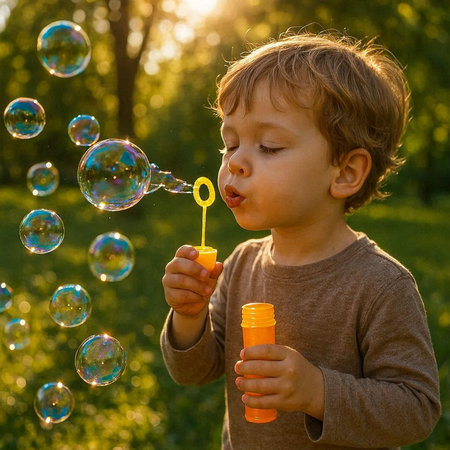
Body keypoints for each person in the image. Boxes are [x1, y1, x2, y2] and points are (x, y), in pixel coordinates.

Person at [160, 31, 441, 449]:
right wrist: (188, 316)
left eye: (269, 146)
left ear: (345, 172)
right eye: (230, 143)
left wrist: (317, 392)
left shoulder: (380, 285)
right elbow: (194, 371)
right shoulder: (239, 264)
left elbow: (417, 409)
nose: (235, 161)